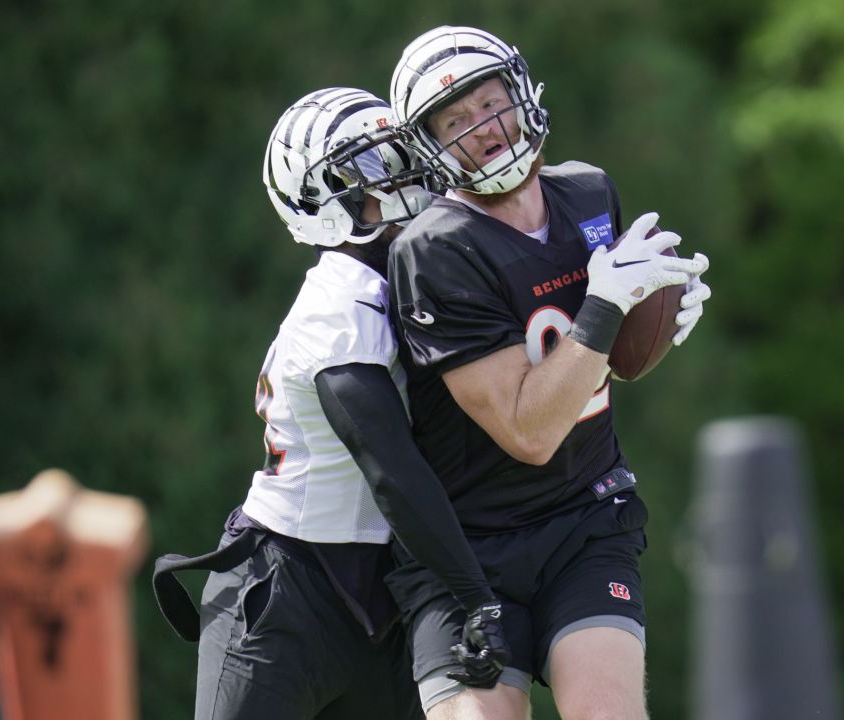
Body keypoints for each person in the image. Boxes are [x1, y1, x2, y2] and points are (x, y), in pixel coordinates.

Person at [151, 87, 511, 720]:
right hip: (288, 586)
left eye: (399, 155)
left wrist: (608, 318)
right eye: (369, 168)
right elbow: (391, 472)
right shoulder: (338, 306)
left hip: (385, 589)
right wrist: (476, 597)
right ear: (317, 202)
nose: (399, 178)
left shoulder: (423, 272)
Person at [385, 27, 711, 720]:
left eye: (489, 102)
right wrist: (605, 307)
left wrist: (653, 321)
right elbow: (528, 430)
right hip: (466, 551)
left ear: (523, 94)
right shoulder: (436, 249)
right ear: (431, 145)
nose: (483, 128)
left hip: (583, 517)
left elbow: (585, 369)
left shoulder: (589, 193)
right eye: (456, 120)